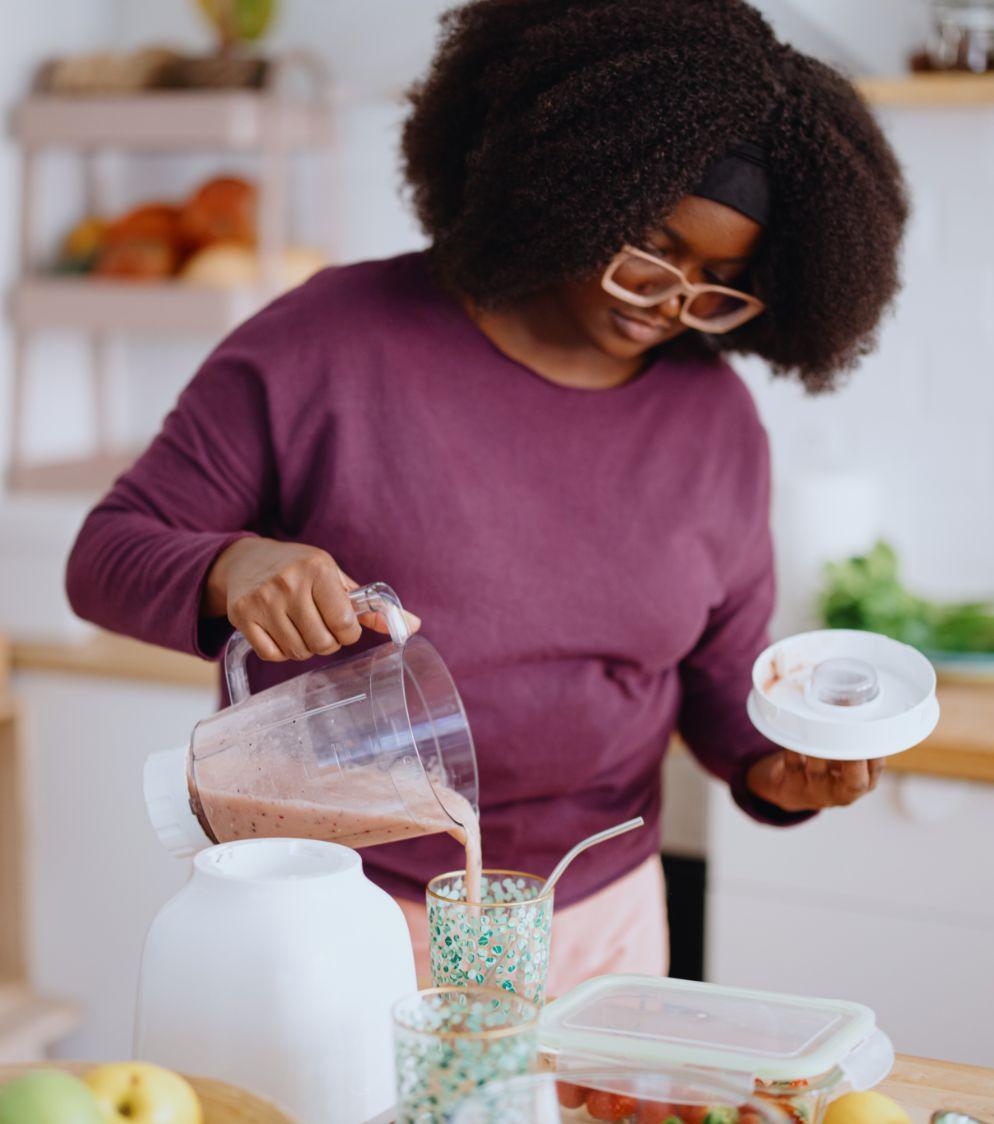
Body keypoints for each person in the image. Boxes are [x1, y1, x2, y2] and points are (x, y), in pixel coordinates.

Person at [67, 0, 908, 992]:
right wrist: (228, 564)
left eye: (716, 285)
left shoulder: (714, 423)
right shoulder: (329, 341)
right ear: (580, 181)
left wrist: (781, 769)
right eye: (650, 251)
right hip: (333, 905)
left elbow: (725, 690)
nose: (668, 308)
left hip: (595, 926)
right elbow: (104, 556)